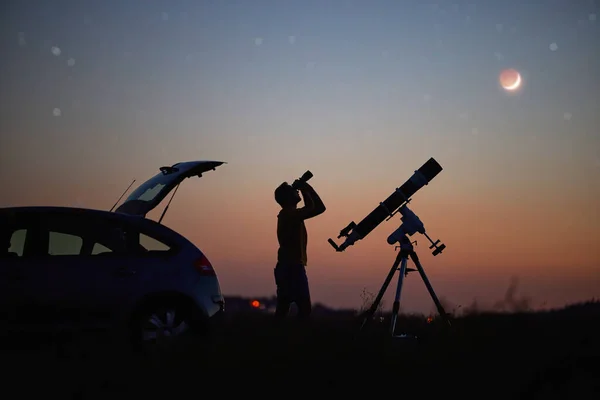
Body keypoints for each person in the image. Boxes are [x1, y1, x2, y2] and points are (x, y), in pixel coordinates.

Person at [273, 178, 326, 322]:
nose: (295, 190)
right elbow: (311, 207)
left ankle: (278, 338)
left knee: (284, 310)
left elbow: (320, 208)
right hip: (290, 267)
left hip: (291, 266)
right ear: (288, 198)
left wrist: (307, 187)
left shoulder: (295, 215)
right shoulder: (287, 214)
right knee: (303, 309)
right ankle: (293, 339)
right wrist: (304, 188)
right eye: (293, 190)